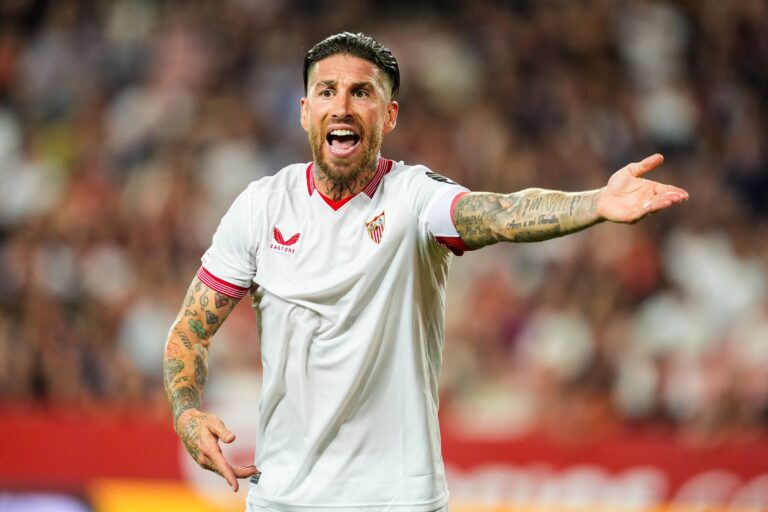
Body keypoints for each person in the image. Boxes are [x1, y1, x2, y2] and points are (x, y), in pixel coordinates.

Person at [162, 32, 688, 511]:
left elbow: (498, 214)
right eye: (326, 92)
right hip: (282, 498)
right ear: (304, 111)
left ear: (388, 116)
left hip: (399, 500)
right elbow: (190, 329)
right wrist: (187, 414)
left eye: (360, 93)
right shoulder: (260, 208)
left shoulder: (414, 198)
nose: (341, 106)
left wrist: (595, 202)